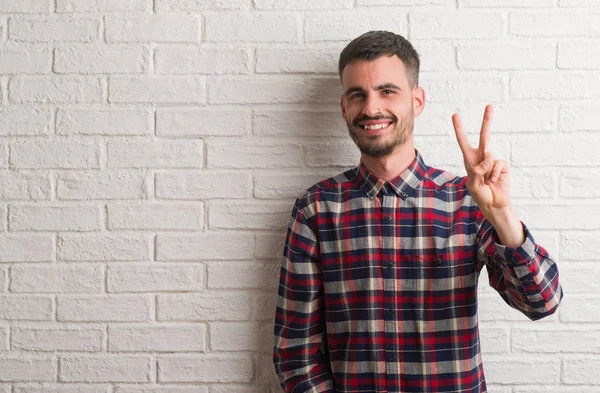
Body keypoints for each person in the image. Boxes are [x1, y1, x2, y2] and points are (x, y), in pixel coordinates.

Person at [272, 30, 563, 393]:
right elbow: (295, 354)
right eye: (357, 94)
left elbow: (542, 302)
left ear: (417, 100)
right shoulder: (315, 209)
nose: (371, 108)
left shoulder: (467, 200)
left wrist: (502, 213)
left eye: (387, 91)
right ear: (343, 107)